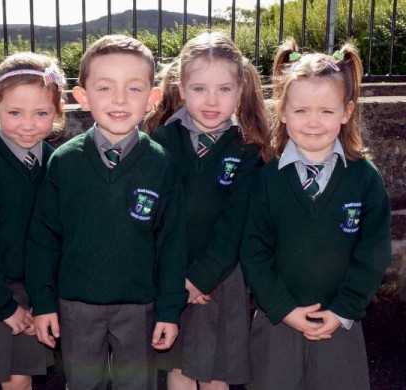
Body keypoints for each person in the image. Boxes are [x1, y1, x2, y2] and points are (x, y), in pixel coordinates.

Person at [25, 34, 188, 390]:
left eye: (133, 88)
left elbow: (173, 245)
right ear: (81, 97)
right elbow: (42, 240)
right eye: (105, 88)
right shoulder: (63, 163)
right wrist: (42, 302)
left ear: (152, 97)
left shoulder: (162, 165)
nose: (119, 99)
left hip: (140, 307)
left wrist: (169, 310)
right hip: (77, 306)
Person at [240, 38, 392, 390]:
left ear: (346, 112)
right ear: (281, 110)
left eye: (326, 111)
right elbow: (253, 250)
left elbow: (373, 252)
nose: (313, 122)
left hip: (339, 324)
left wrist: (343, 311)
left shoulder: (364, 178)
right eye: (301, 110)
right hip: (277, 322)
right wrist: (283, 309)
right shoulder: (267, 178)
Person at [146, 31, 273, 390]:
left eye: (224, 89)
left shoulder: (248, 150)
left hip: (223, 275)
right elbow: (154, 218)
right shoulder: (160, 142)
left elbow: (234, 225)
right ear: (182, 89)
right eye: (200, 89)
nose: (211, 101)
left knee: (218, 372)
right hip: (171, 272)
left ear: (241, 90)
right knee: (180, 367)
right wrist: (176, 281)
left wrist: (198, 280)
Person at [0, 52, 66, 390]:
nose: (28, 124)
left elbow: (55, 234)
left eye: (41, 113)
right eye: (15, 113)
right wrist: (4, 304)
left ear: (58, 112)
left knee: (19, 377)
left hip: (32, 290)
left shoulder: (54, 160)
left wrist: (42, 297)